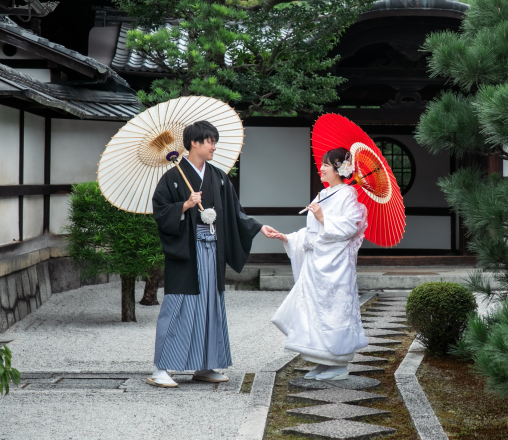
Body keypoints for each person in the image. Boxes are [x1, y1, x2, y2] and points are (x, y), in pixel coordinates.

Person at [147, 120, 279, 388]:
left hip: (212, 250)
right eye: (210, 141)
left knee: (210, 305)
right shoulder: (173, 176)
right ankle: (162, 368)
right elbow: (160, 211)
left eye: (214, 142)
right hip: (187, 252)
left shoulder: (218, 176)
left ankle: (205, 365)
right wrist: (185, 204)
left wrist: (257, 226)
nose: (214, 147)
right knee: (179, 306)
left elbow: (234, 212)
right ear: (194, 142)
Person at [268, 147, 369, 380]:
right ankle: (324, 361)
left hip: (335, 266)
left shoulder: (347, 194)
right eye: (322, 164)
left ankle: (339, 364)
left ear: (339, 168)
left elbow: (351, 226)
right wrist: (287, 237)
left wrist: (324, 218)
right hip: (316, 264)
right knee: (315, 311)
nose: (321, 169)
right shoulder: (324, 194)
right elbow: (312, 231)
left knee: (333, 311)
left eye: (326, 165)